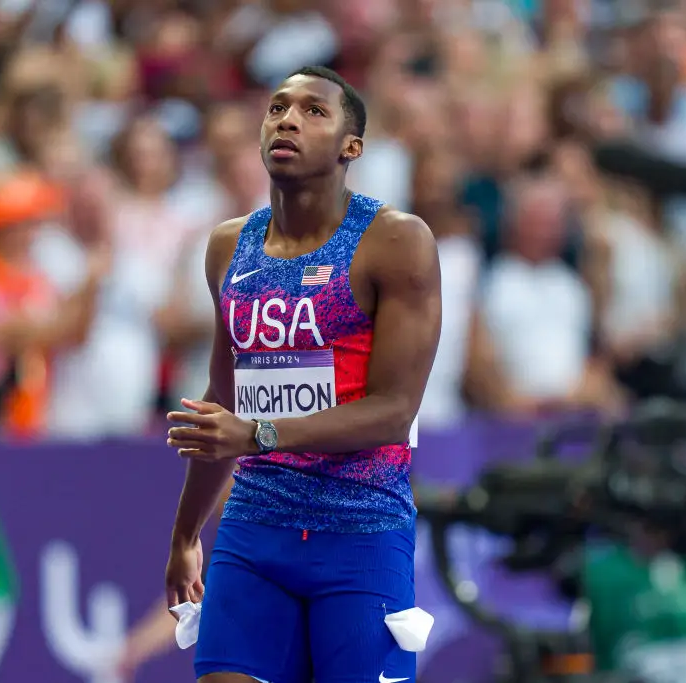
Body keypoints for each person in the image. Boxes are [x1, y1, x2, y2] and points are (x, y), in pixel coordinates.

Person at [163, 66, 441, 683]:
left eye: (313, 111)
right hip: (255, 529)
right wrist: (186, 533)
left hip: (361, 531)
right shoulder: (228, 248)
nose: (287, 118)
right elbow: (224, 400)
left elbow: (394, 409)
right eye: (277, 108)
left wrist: (259, 433)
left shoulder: (395, 242)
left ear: (352, 147)